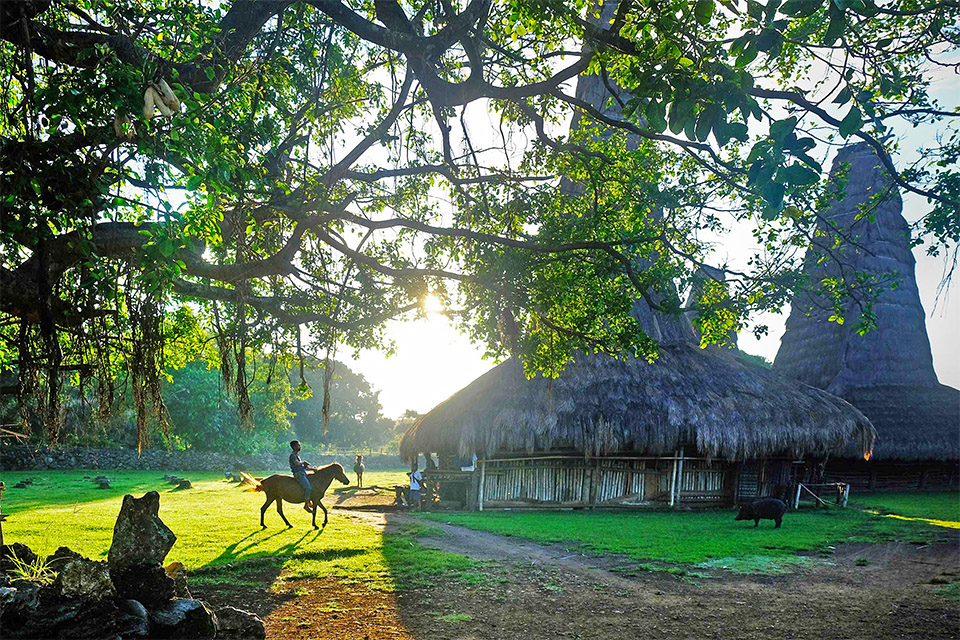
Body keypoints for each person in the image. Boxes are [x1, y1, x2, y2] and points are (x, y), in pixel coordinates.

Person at [289, 440, 313, 512]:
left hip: (302, 473)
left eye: (299, 445)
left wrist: (313, 469)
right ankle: (306, 505)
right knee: (308, 488)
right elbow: (296, 463)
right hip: (298, 474)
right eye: (298, 445)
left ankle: (308, 500)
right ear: (294, 447)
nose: (299, 447)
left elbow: (303, 467)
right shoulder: (293, 455)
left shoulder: (297, 455)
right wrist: (303, 462)